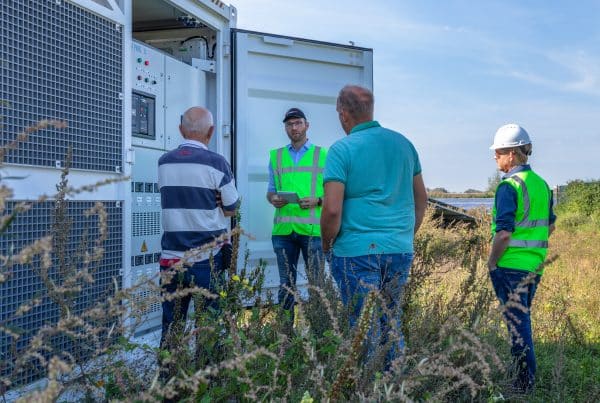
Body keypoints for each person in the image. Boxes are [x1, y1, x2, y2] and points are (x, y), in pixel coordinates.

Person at [320, 85, 428, 367]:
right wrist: (404, 235)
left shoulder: (341, 150)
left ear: (343, 115)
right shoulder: (404, 144)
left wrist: (326, 245)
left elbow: (331, 209)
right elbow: (421, 200)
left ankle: (368, 390)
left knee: (363, 330)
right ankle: (396, 387)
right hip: (399, 250)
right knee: (391, 324)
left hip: (355, 252)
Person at [158, 106, 239, 348]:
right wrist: (215, 200)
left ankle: (168, 379)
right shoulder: (217, 163)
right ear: (211, 131)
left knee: (171, 326)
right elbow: (232, 207)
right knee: (209, 328)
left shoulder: (164, 162)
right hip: (207, 261)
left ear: (181, 130)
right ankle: (207, 379)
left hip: (170, 260)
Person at [487, 123, 555, 393]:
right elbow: (550, 225)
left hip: (510, 266)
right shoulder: (542, 185)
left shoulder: (509, 187)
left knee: (517, 325)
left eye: (499, 152)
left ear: (513, 154)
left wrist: (492, 262)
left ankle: (524, 384)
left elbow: (503, 233)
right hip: (534, 266)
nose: (495, 157)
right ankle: (523, 378)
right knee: (521, 320)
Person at [266, 107, 327, 322]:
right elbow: (270, 192)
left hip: (313, 232)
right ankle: (285, 338)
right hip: (283, 232)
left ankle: (321, 336)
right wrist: (274, 199)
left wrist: (318, 200)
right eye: (290, 124)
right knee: (286, 286)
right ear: (285, 128)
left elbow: (337, 194)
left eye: (298, 123)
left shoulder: (323, 155)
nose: (294, 127)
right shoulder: (277, 156)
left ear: (306, 125)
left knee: (317, 286)